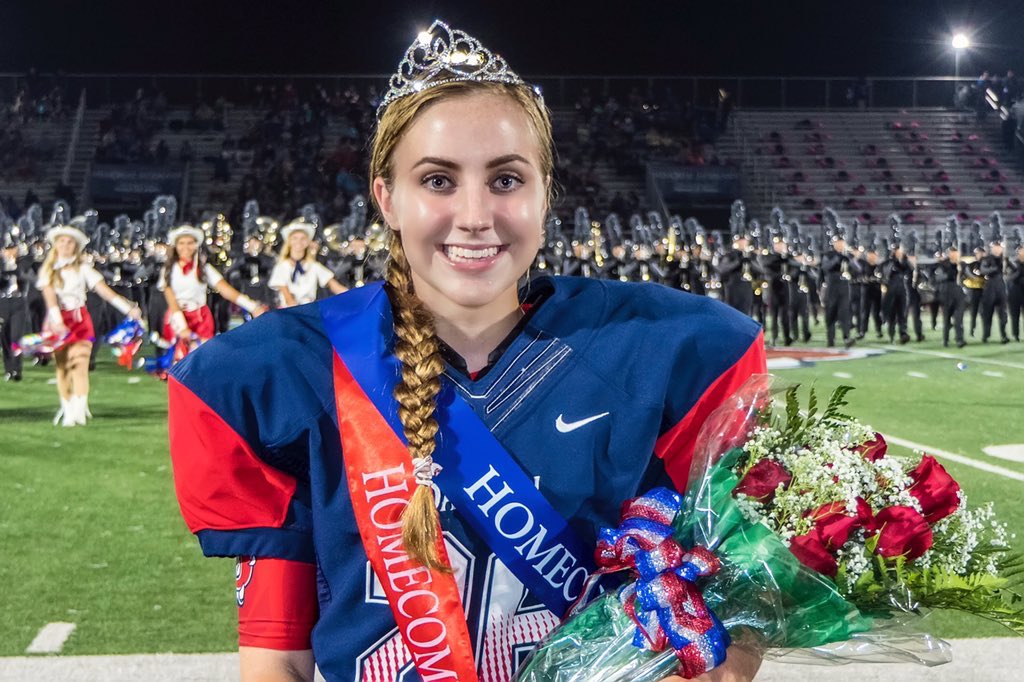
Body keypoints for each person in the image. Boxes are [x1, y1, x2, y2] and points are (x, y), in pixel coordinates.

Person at [167, 21, 764, 682]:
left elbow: (730, 627)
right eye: (439, 180)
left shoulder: (659, 351)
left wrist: (724, 661)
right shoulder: (294, 370)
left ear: (545, 196)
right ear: (387, 199)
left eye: (506, 180)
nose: (476, 214)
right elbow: (277, 657)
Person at [37, 219, 142, 426]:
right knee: (63, 368)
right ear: (56, 245)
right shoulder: (48, 271)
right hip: (58, 320)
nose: (66, 245)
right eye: (62, 242)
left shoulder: (83, 268)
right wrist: (57, 322)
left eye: (70, 242)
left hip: (80, 319)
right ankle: (67, 409)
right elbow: (50, 298)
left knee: (80, 365)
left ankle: (79, 411)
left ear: (76, 246)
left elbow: (105, 292)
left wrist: (128, 308)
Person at [159, 224, 268, 351]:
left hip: (201, 318)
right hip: (177, 319)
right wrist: (183, 326)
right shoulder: (168, 270)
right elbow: (171, 300)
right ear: (176, 246)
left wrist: (252, 307)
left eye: (190, 243)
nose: (185, 247)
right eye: (181, 243)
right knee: (178, 362)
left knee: (204, 360)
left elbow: (225, 290)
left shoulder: (204, 269)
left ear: (196, 245)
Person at [268, 220, 347, 308]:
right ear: (289, 241)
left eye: (303, 238)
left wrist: (354, 296)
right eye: (295, 238)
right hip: (289, 312)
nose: (299, 242)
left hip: (308, 310)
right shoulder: (281, 267)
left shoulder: (314, 266)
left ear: (308, 242)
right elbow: (287, 297)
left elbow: (335, 286)